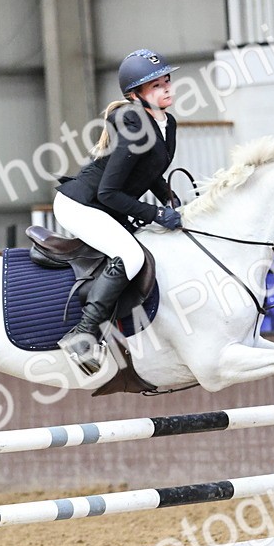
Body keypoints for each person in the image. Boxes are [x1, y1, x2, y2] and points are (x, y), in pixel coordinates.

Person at [53, 48, 182, 375]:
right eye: (155, 85)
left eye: (167, 80)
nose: (166, 88)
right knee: (130, 256)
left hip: (104, 205)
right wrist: (156, 215)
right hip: (81, 204)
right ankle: (83, 333)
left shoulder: (167, 123)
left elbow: (150, 170)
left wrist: (170, 198)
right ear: (135, 95)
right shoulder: (134, 121)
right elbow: (109, 192)